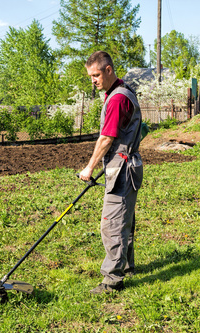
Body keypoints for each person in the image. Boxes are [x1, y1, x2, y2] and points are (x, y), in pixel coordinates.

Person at [79, 51, 143, 294]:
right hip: (128, 164)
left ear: (108, 70)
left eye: (96, 75)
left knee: (112, 223)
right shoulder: (124, 91)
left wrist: (89, 167)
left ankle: (111, 280)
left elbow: (107, 137)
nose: (93, 80)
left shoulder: (117, 99)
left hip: (122, 168)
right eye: (90, 76)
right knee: (123, 218)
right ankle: (126, 267)